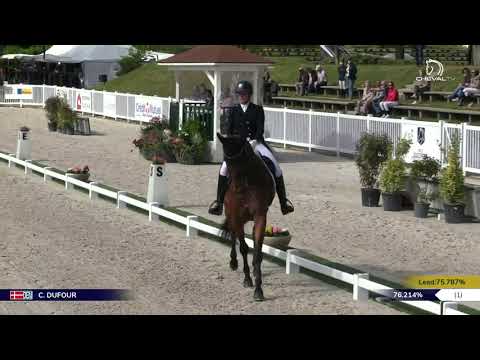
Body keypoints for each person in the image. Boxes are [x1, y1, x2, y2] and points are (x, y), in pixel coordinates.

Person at [208, 80, 294, 216]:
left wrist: (254, 141)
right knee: (224, 169)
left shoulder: (257, 110)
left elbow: (260, 129)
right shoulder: (234, 111)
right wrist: (234, 142)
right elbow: (229, 131)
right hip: (239, 146)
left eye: (244, 94)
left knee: (276, 168)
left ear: (249, 95)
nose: (242, 96)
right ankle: (218, 203)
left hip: (256, 144)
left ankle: (284, 203)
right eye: (240, 94)